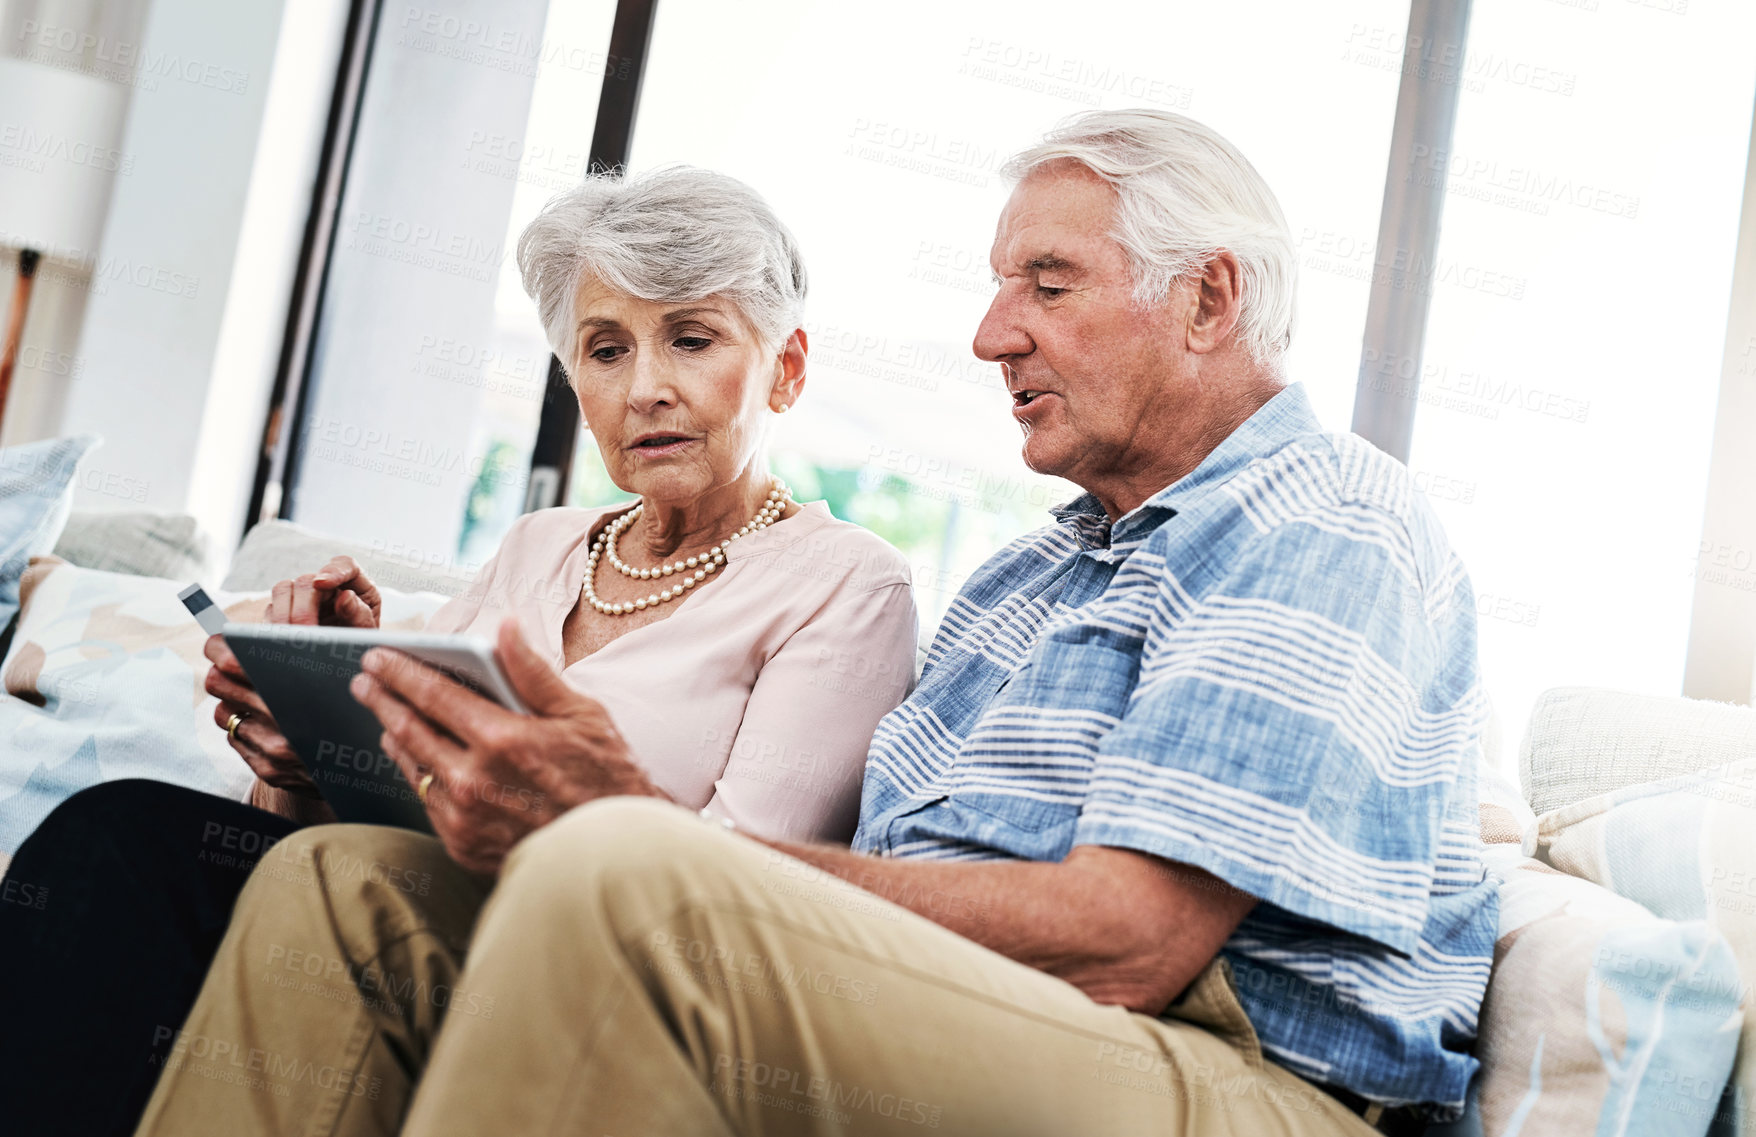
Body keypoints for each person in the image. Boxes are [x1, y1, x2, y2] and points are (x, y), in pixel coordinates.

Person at [136, 109, 1495, 1137]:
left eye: (1048, 283)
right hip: (983, 1004)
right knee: (342, 893)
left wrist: (638, 834)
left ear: (1210, 299)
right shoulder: (1033, 577)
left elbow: (1130, 937)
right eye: (997, 283)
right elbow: (876, 875)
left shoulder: (1319, 518)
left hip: (1227, 1074)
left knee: (620, 876)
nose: (988, 334)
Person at [0, 167, 917, 1137]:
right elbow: (331, 817)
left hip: (573, 967)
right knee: (120, 844)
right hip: (369, 903)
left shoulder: (845, 583)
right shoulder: (538, 546)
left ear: (787, 368)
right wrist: (303, 745)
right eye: (606, 350)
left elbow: (738, 900)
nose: (645, 388)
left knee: (130, 848)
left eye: (690, 339)